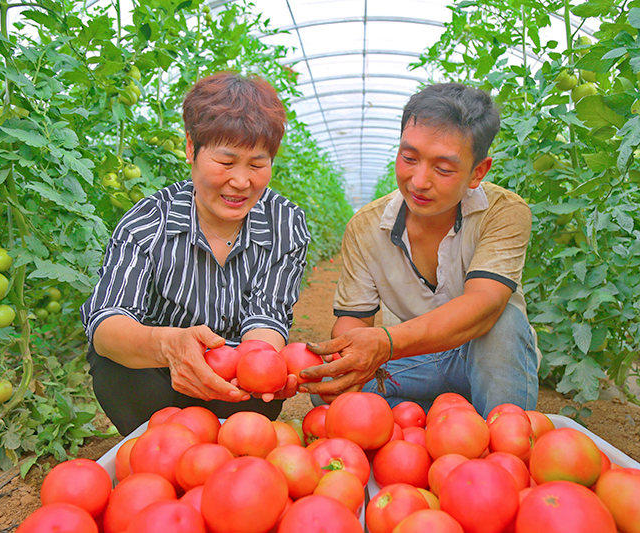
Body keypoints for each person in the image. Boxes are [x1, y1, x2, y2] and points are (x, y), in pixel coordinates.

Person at [80, 72, 309, 435]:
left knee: (263, 370)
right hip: (154, 384)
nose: (241, 181)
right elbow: (108, 320)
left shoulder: (286, 223)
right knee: (111, 363)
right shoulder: (148, 220)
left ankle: (232, 441)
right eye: (226, 161)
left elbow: (268, 316)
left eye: (257, 164)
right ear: (191, 148)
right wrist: (169, 347)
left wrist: (257, 366)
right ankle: (158, 444)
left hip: (237, 391)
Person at [300, 82, 538, 419]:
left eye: (443, 169)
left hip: (483, 355)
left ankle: (501, 440)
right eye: (409, 158)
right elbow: (354, 319)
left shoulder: (503, 212)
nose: (419, 180)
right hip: (418, 360)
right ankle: (442, 420)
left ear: (478, 172)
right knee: (331, 391)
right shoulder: (367, 228)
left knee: (503, 323)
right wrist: (348, 359)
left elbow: (484, 304)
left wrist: (387, 342)